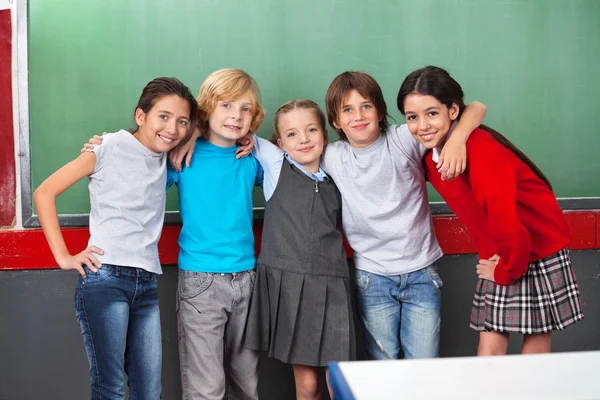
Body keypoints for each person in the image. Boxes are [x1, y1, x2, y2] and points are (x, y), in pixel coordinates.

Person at [84, 69, 265, 400]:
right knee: (206, 388)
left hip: (248, 278)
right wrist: (106, 145)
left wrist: (257, 141)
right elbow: (136, 163)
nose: (236, 116)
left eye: (245, 109)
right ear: (208, 109)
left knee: (246, 384)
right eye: (226, 106)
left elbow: (293, 158)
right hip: (201, 282)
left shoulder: (252, 158)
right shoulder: (179, 157)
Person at [397, 65, 583, 355]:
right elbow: (475, 107)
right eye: (412, 117)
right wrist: (457, 138)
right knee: (491, 348)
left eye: (432, 113)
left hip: (535, 244)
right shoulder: (432, 156)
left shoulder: (481, 151)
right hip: (502, 249)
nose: (422, 126)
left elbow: (508, 222)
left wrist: (505, 272)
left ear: (453, 111)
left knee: (535, 341)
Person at [34, 77, 197, 399]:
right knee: (110, 387)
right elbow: (44, 192)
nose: (172, 128)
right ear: (141, 116)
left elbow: (208, 125)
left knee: (149, 390)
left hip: (146, 283)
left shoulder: (168, 154)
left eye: (181, 121)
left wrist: (195, 132)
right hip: (105, 278)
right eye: (163, 117)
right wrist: (64, 257)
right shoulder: (108, 147)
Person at [322, 71, 487, 360]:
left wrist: (459, 137)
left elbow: (477, 108)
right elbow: (284, 148)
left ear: (380, 111)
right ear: (335, 121)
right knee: (383, 365)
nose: (358, 116)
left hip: (420, 273)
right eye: (347, 109)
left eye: (366, 106)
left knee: (422, 365)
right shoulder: (333, 156)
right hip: (372, 277)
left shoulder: (403, 138)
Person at [244, 99, 355, 399]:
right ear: (279, 143)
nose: (303, 139)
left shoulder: (338, 172)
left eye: (311, 130)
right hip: (292, 286)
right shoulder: (277, 164)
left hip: (332, 286)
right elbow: (233, 126)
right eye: (292, 134)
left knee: (339, 383)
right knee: (308, 386)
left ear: (324, 135)